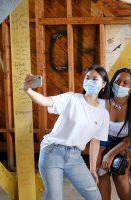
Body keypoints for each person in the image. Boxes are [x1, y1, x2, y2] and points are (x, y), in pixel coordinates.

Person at [23, 65, 110, 200]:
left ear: (104, 84)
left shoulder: (103, 114)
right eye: (87, 78)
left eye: (95, 79)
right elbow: (46, 101)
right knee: (54, 198)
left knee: (95, 197)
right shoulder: (72, 99)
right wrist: (28, 90)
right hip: (53, 152)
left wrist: (92, 169)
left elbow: (95, 141)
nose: (90, 81)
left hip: (75, 157)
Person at [97, 68, 131, 200]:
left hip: (128, 138)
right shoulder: (102, 100)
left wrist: (111, 153)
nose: (120, 85)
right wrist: (100, 155)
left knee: (119, 173)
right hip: (103, 136)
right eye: (117, 81)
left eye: (125, 83)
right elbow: (95, 130)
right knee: (101, 172)